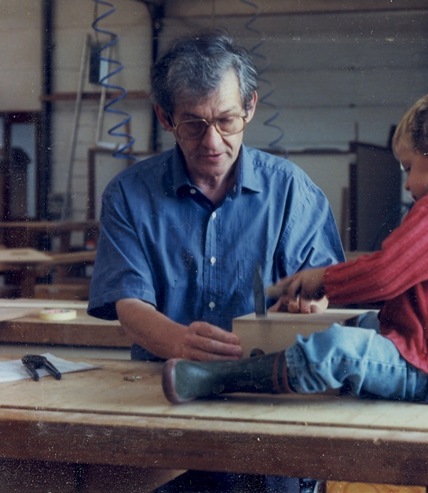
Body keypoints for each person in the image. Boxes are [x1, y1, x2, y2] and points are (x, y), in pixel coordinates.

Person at [87, 28, 344, 492]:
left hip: (270, 402)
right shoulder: (128, 195)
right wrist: (181, 344)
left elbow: (327, 291)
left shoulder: (291, 192)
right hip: (165, 399)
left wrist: (311, 305)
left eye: (227, 120)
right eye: (193, 124)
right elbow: (127, 301)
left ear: (249, 108)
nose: (212, 141)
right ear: (165, 116)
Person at [162, 89, 428, 407]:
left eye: (408, 167)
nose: (407, 183)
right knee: (363, 324)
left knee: (336, 350)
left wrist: (323, 280)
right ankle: (292, 366)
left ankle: (217, 379)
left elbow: (385, 275)